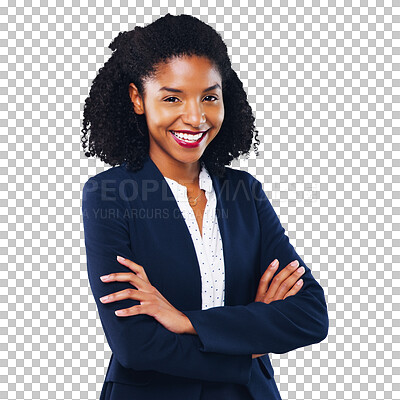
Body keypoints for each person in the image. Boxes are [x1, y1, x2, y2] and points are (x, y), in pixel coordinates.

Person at [81, 13, 329, 400]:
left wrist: (183, 322)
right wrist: (249, 342)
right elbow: (135, 344)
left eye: (209, 97)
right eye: (172, 98)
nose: (195, 117)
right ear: (137, 99)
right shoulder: (110, 195)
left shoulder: (243, 192)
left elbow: (311, 315)